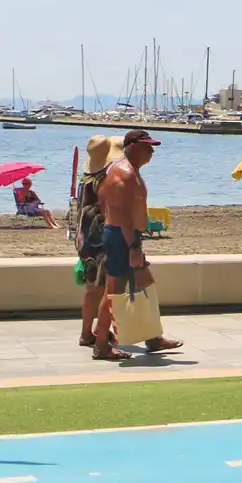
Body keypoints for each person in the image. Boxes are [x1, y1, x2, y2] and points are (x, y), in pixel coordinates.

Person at [98, 128, 183, 354]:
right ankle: (100, 346)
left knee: (146, 283)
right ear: (133, 147)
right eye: (147, 146)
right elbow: (120, 211)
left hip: (126, 235)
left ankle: (153, 337)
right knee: (114, 293)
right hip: (121, 237)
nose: (151, 151)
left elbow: (104, 201)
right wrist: (132, 246)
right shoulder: (123, 173)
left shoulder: (129, 171)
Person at [75, 136, 125, 359]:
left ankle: (87, 332)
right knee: (107, 288)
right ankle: (100, 334)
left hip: (85, 238)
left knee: (91, 288)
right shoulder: (106, 179)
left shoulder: (84, 180)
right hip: (102, 237)